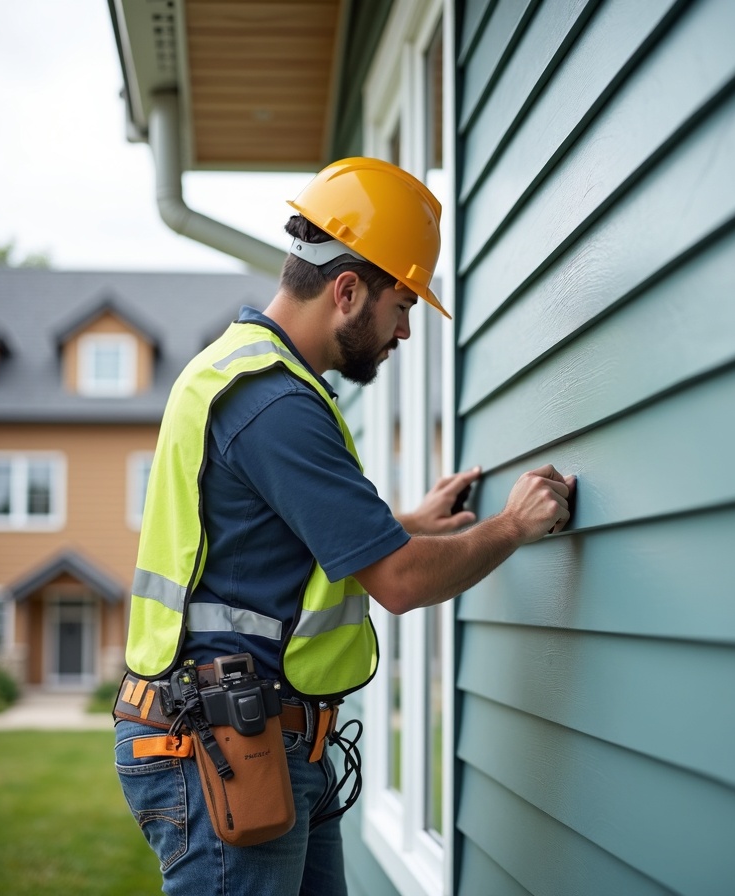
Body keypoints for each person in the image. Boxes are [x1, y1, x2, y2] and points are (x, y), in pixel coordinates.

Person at [113, 157, 574, 896]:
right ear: (348, 289)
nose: (403, 332)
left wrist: (402, 521)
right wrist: (513, 526)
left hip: (258, 734)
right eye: (402, 306)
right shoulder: (275, 404)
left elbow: (265, 534)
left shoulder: (253, 377)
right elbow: (397, 581)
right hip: (227, 744)